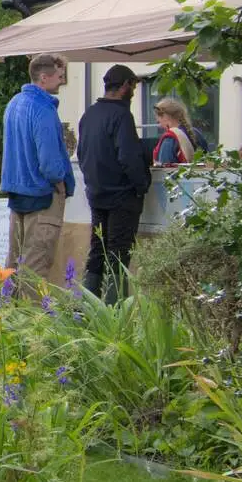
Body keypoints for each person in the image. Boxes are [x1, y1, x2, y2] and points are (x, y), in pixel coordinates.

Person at [1, 54, 76, 295]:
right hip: (43, 195)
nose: (62, 82)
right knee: (35, 269)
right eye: (59, 76)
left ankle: (6, 324)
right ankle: (33, 328)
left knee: (13, 265)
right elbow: (50, 163)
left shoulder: (14, 103)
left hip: (17, 193)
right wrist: (61, 181)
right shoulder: (43, 108)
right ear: (44, 78)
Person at [76, 65, 151, 303]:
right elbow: (128, 157)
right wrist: (142, 185)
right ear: (125, 85)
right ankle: (113, 314)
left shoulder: (89, 114)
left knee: (97, 252)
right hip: (122, 197)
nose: (134, 92)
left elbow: (82, 153)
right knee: (119, 256)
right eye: (134, 86)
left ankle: (87, 310)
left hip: (96, 193)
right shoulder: (121, 115)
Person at [152, 97, 209, 165]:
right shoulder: (197, 133)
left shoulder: (169, 139)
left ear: (165, 116)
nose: (160, 125)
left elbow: (165, 170)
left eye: (159, 121)